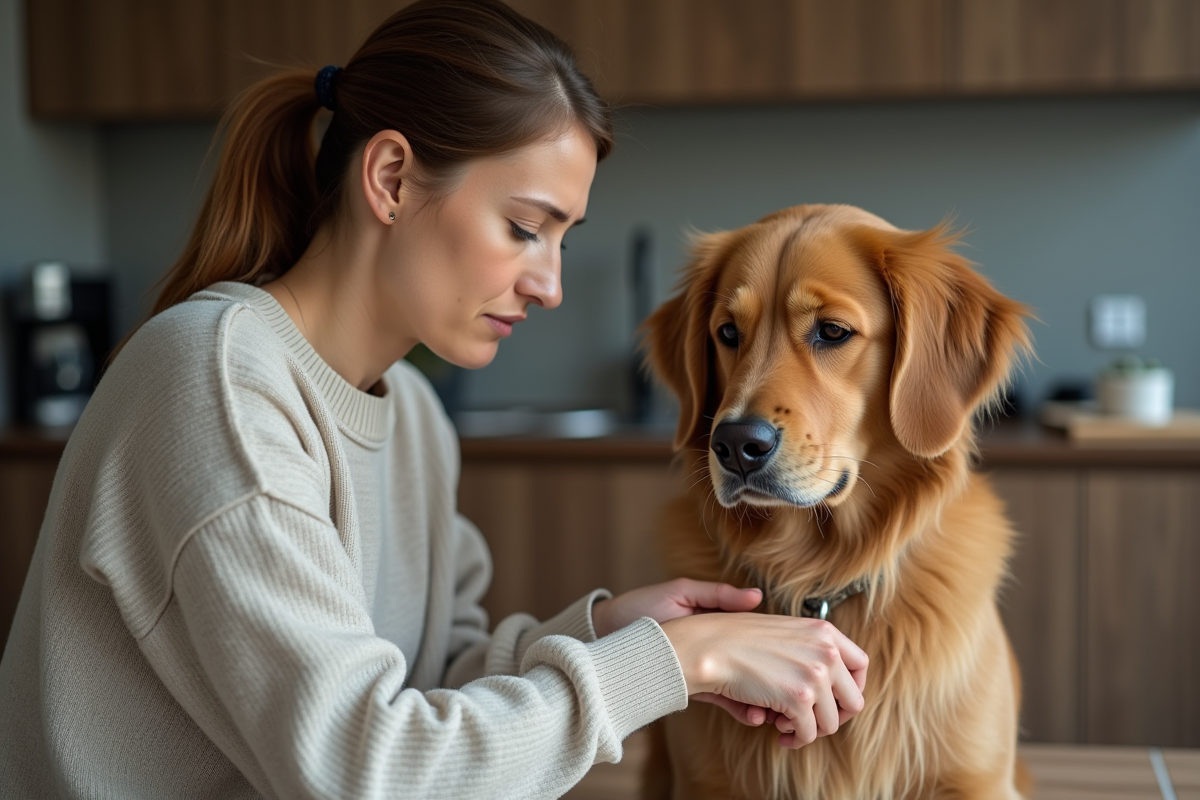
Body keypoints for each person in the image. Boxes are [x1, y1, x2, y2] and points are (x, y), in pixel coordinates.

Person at [0, 1, 868, 797]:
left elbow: (424, 684)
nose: (550, 285)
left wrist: (606, 630)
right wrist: (674, 662)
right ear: (389, 178)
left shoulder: (410, 412)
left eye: (563, 239)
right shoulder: (219, 383)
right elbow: (369, 769)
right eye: (524, 229)